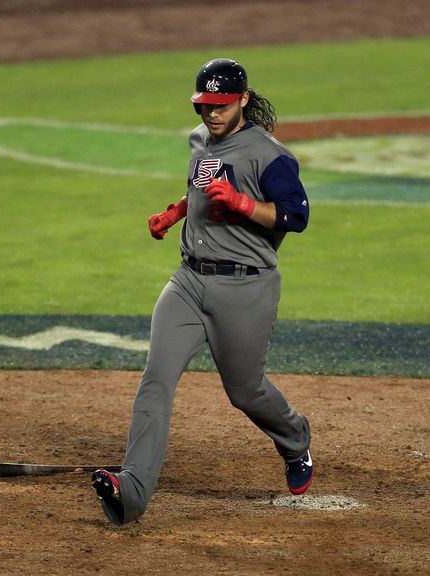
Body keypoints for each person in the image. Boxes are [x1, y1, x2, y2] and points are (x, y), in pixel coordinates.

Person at [91, 58, 313, 526]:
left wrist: (244, 204)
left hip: (245, 287)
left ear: (243, 101)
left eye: (221, 105)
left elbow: (297, 216)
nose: (211, 114)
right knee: (156, 379)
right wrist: (175, 213)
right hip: (188, 282)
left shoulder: (269, 155)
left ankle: (295, 438)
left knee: (245, 390)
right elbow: (200, 189)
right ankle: (130, 493)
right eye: (204, 105)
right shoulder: (200, 141)